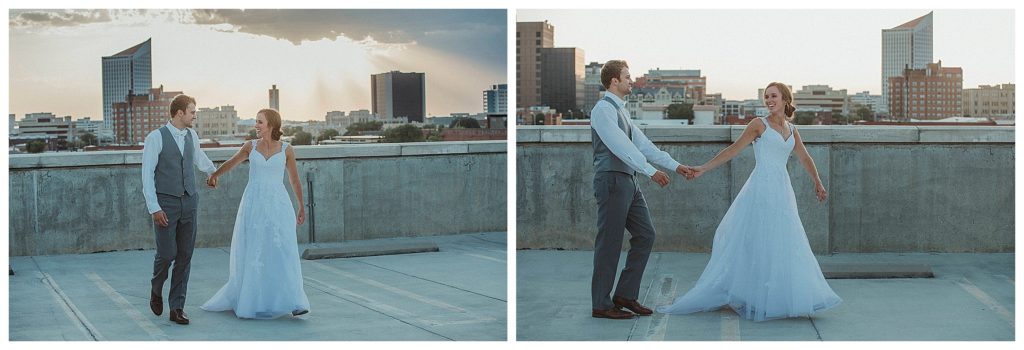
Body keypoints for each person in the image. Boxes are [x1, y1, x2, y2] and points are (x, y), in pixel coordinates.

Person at [657, 82, 842, 322]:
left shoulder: (792, 129)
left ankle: (779, 295)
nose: (769, 100)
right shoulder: (758, 125)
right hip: (761, 189)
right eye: (766, 97)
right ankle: (752, 295)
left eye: (774, 96)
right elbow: (733, 150)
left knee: (783, 240)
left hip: (782, 190)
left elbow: (805, 157)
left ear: (785, 99)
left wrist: (817, 181)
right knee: (758, 239)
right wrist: (703, 168)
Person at [590, 59, 694, 319]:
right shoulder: (603, 109)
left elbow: (644, 145)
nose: (631, 80)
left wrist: (675, 165)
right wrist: (650, 171)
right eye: (627, 76)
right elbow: (620, 147)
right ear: (614, 80)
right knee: (609, 244)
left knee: (645, 234)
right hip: (612, 179)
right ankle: (601, 305)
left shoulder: (621, 111)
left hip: (628, 180)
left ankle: (625, 294)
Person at [200, 108, 310, 319]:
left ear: (271, 124)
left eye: (260, 122)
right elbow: (232, 162)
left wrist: (301, 206)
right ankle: (254, 299)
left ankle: (295, 301)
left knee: (283, 250)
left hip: (279, 205)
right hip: (254, 204)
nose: (256, 125)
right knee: (256, 250)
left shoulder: (287, 149)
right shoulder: (250, 146)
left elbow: (295, 180)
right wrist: (215, 174)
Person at [141, 94, 217, 325]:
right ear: (179, 113)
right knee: (167, 254)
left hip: (189, 202)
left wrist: (212, 172)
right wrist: (154, 208)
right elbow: (146, 175)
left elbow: (199, 158)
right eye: (192, 111)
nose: (195, 115)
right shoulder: (156, 138)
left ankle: (177, 308)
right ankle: (156, 287)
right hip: (166, 204)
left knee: (185, 256)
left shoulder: (191, 135)